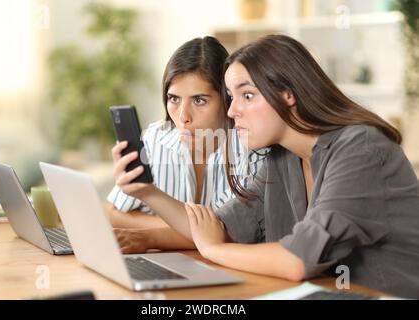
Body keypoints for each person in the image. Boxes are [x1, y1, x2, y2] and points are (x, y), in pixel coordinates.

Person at [115, 34, 419, 298]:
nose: (233, 111)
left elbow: (298, 260)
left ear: (287, 94)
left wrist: (213, 250)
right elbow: (218, 227)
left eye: (247, 96)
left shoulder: (360, 149)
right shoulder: (281, 158)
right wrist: (147, 191)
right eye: (232, 97)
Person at [108, 36, 269, 253]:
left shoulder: (253, 150)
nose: (183, 116)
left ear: (226, 99)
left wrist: (150, 237)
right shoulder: (156, 138)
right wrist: (184, 230)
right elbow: (114, 213)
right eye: (174, 99)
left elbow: (229, 234)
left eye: (199, 100)